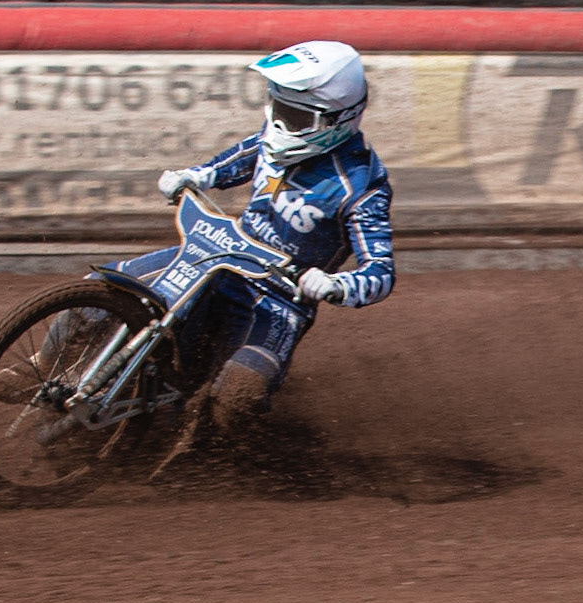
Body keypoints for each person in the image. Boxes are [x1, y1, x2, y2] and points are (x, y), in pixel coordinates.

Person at [133, 42, 395, 457]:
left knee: (239, 398)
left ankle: (235, 455)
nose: (279, 122)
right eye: (277, 106)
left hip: (277, 300)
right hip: (220, 252)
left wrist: (334, 285)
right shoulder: (273, 137)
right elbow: (241, 158)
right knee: (110, 288)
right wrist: (195, 176)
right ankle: (46, 362)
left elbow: (380, 272)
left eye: (294, 116)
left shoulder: (362, 186)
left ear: (338, 119)